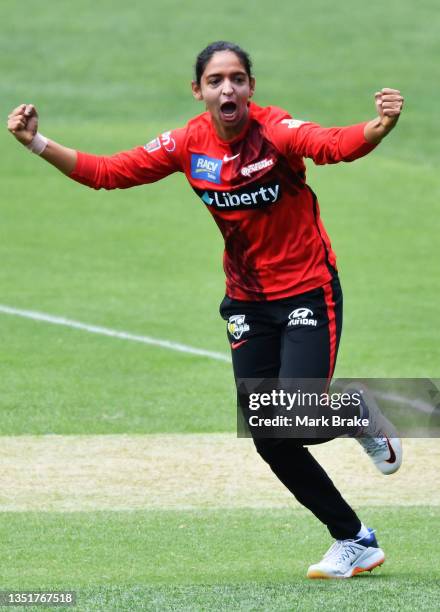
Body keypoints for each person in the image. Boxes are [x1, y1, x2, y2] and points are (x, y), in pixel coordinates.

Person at [7, 41, 404, 579]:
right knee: (270, 435)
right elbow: (107, 171)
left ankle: (360, 416)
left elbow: (331, 143)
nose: (228, 88)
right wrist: (36, 143)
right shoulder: (187, 143)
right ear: (199, 92)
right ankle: (353, 540)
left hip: (307, 290)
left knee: (298, 418)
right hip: (246, 301)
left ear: (251, 88)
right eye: (216, 80)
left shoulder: (276, 130)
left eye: (237, 78)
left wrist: (377, 128)